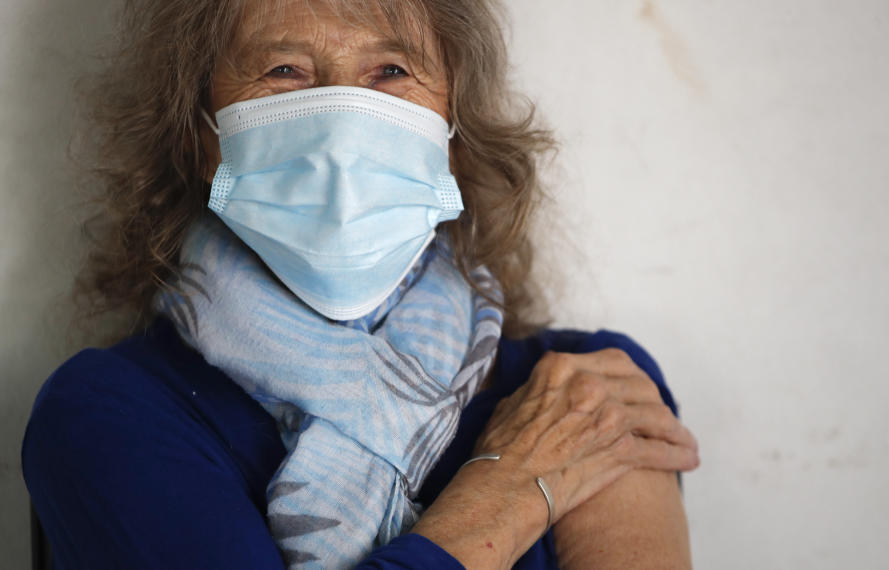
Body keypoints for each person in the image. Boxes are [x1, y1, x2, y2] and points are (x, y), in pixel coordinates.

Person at [21, 0, 700, 568]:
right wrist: (511, 488)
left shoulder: (586, 387)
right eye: (283, 70)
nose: (342, 121)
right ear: (204, 139)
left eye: (391, 70)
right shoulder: (109, 415)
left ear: (453, 139)